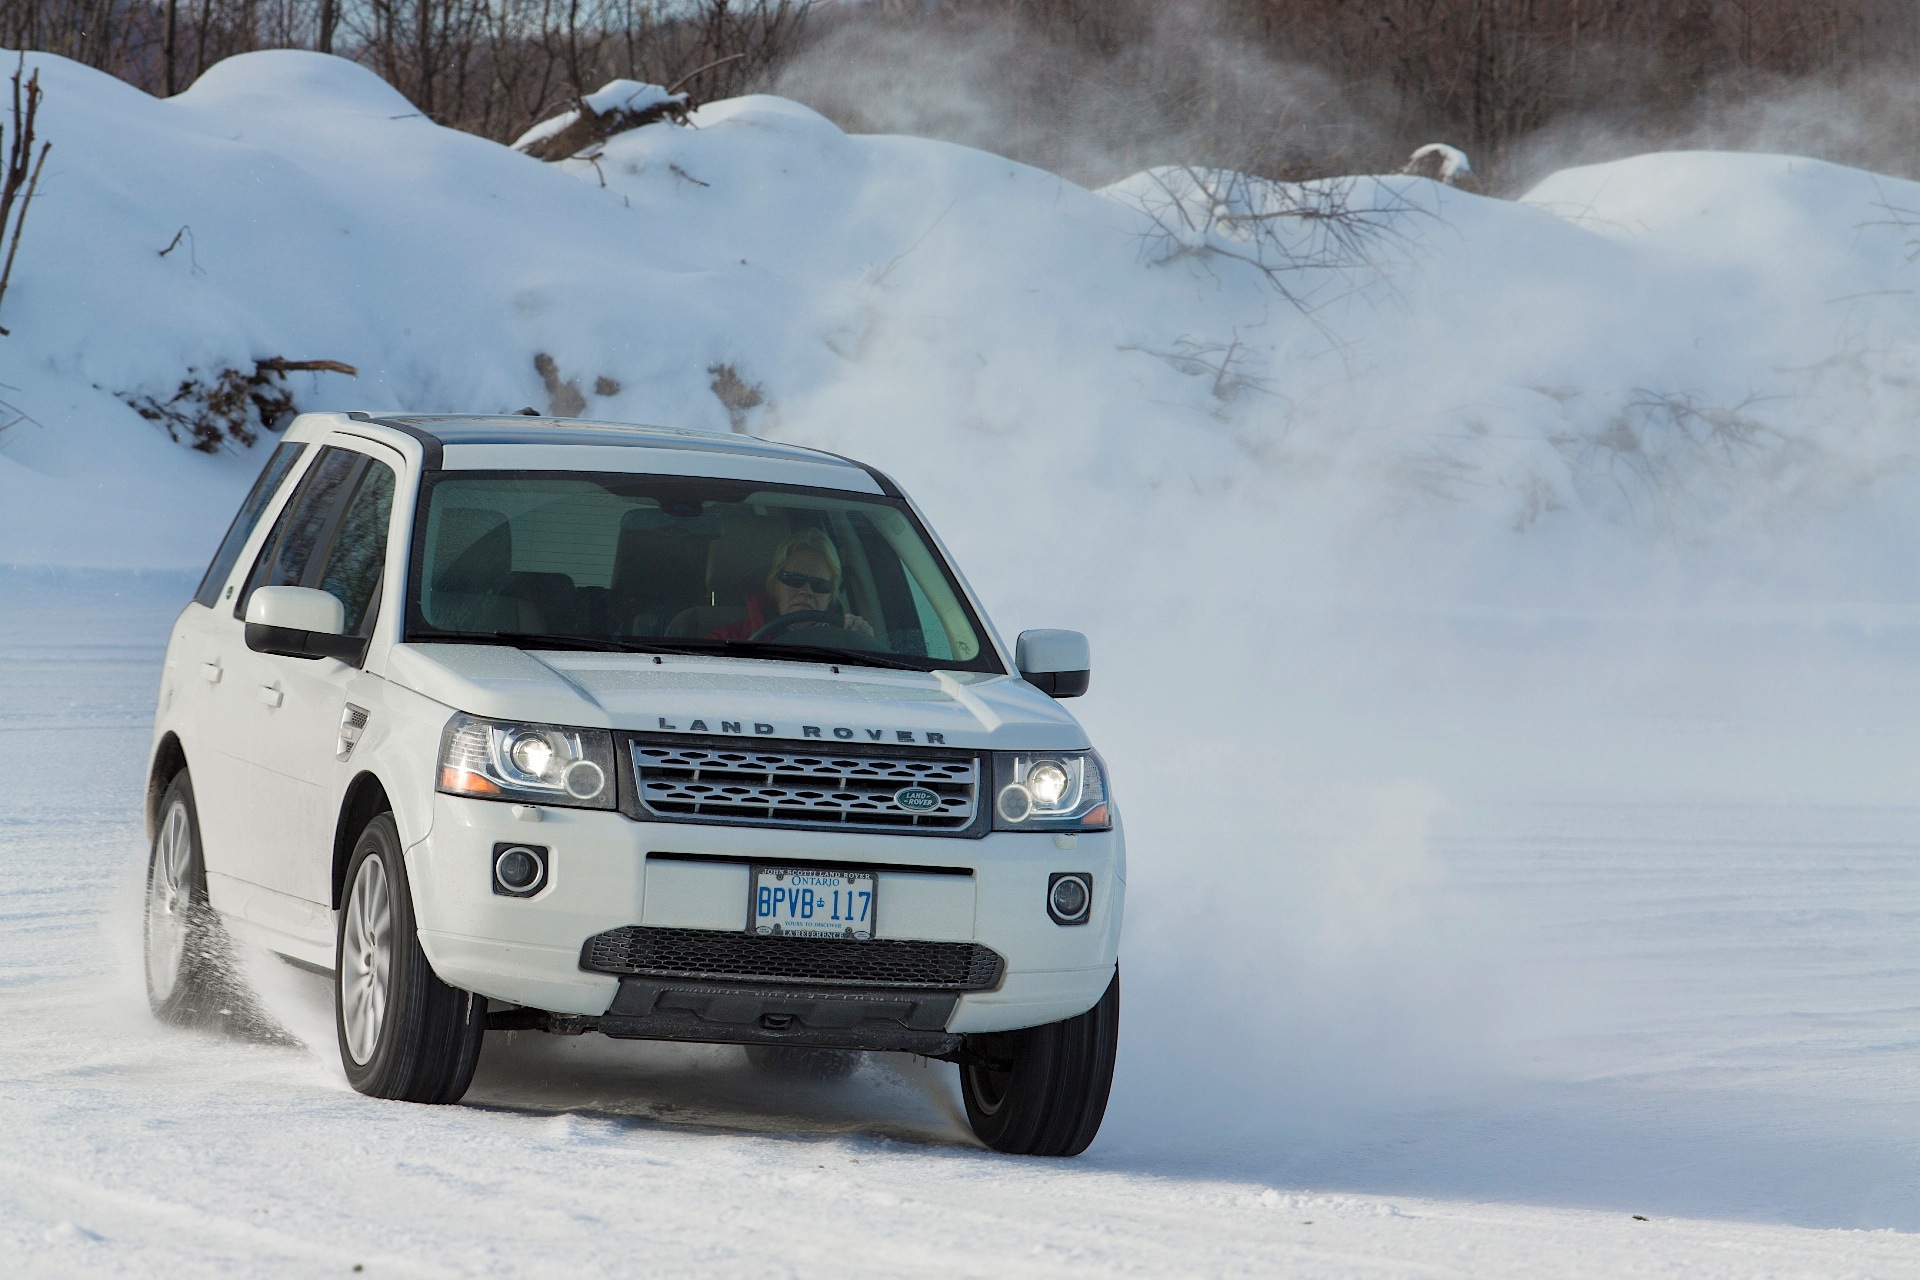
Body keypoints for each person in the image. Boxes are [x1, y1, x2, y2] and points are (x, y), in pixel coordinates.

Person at [706, 528, 875, 642]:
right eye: (794, 579)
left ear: (831, 596)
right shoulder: (729, 638)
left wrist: (865, 644)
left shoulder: (847, 640)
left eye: (820, 585)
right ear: (774, 584)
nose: (806, 591)